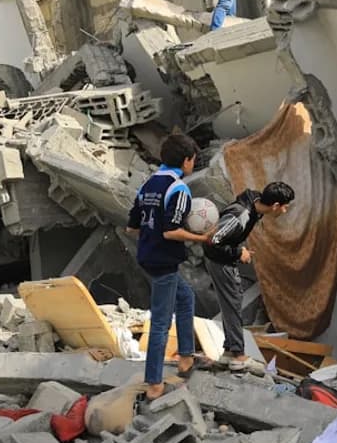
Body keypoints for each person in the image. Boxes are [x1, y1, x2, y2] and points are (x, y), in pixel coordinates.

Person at [125, 134, 215, 399]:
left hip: (147, 256)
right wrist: (201, 238)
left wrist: (151, 234)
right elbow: (171, 231)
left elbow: (132, 227)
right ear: (186, 161)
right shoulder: (179, 189)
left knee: (185, 298)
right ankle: (154, 385)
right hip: (164, 261)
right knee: (161, 322)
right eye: (193, 160)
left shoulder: (148, 184)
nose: (193, 164)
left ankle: (186, 358)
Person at [203, 182, 295, 371]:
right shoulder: (241, 215)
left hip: (224, 260)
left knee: (232, 302)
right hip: (220, 263)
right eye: (284, 207)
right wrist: (238, 253)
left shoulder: (255, 205)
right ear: (275, 206)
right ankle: (238, 356)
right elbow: (212, 241)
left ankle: (229, 352)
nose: (285, 211)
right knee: (233, 305)